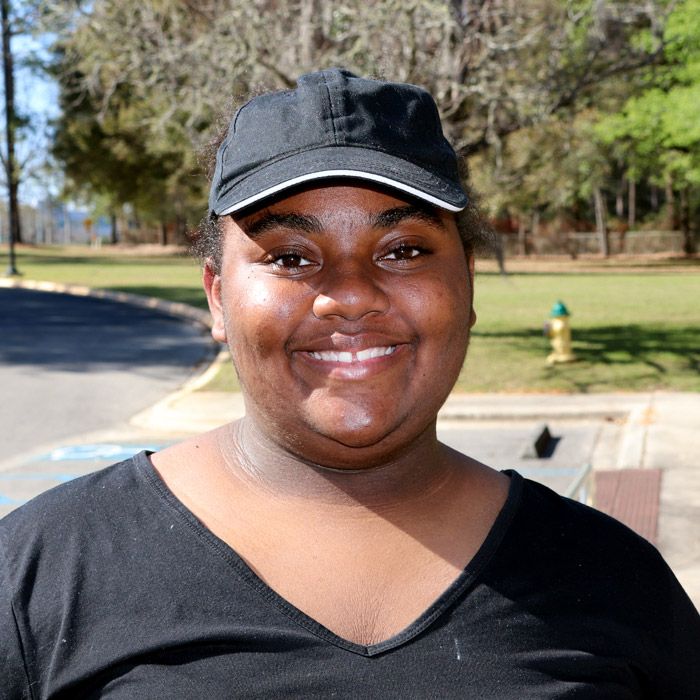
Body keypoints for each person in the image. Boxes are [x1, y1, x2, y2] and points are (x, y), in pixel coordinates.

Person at [1, 68, 698, 699]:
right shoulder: (43, 577)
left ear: (467, 282)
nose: (351, 295)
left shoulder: (614, 580)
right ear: (217, 295)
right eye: (290, 256)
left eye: (403, 250)